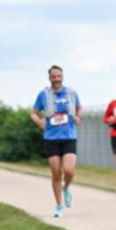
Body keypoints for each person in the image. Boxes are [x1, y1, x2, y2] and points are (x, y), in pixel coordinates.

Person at [30, 65, 82, 218]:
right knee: (56, 173)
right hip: (51, 138)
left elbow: (79, 107)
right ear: (49, 78)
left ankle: (66, 189)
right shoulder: (43, 95)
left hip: (69, 137)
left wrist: (79, 116)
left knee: (69, 170)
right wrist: (39, 121)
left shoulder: (71, 93)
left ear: (62, 77)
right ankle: (59, 205)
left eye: (59, 76)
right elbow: (33, 113)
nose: (56, 79)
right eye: (53, 77)